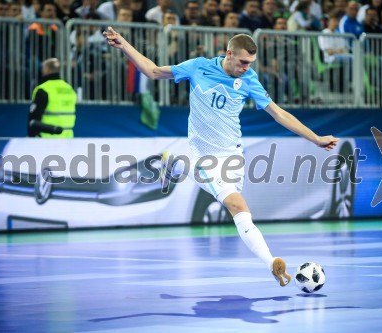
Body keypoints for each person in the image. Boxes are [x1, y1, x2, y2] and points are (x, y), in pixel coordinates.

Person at [103, 26, 339, 287]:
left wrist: (315, 138)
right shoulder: (198, 67)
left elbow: (278, 113)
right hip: (205, 156)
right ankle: (272, 263)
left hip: (234, 158)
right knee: (238, 206)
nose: (246, 68)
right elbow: (153, 71)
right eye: (242, 62)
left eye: (250, 63)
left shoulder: (249, 80)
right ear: (229, 53)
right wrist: (124, 45)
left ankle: (178, 164)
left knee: (236, 207)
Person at [28, 58, 77, 138]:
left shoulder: (43, 89)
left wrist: (31, 138)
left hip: (46, 140)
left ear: (47, 69)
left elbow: (33, 120)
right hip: (67, 139)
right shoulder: (69, 89)